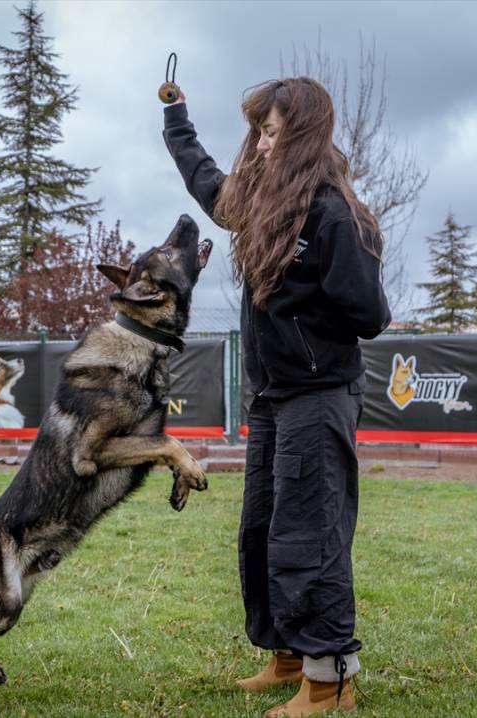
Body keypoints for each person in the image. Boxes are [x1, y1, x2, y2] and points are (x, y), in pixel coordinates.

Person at [162, 78, 391, 716]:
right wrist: (176, 122)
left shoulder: (333, 212)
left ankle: (330, 684)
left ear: (304, 134)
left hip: (319, 395)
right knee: (263, 531)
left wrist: (311, 301)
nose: (260, 146)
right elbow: (210, 185)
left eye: (271, 132)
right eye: (257, 131)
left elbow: (369, 313)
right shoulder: (266, 200)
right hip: (271, 396)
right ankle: (289, 657)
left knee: (309, 534)